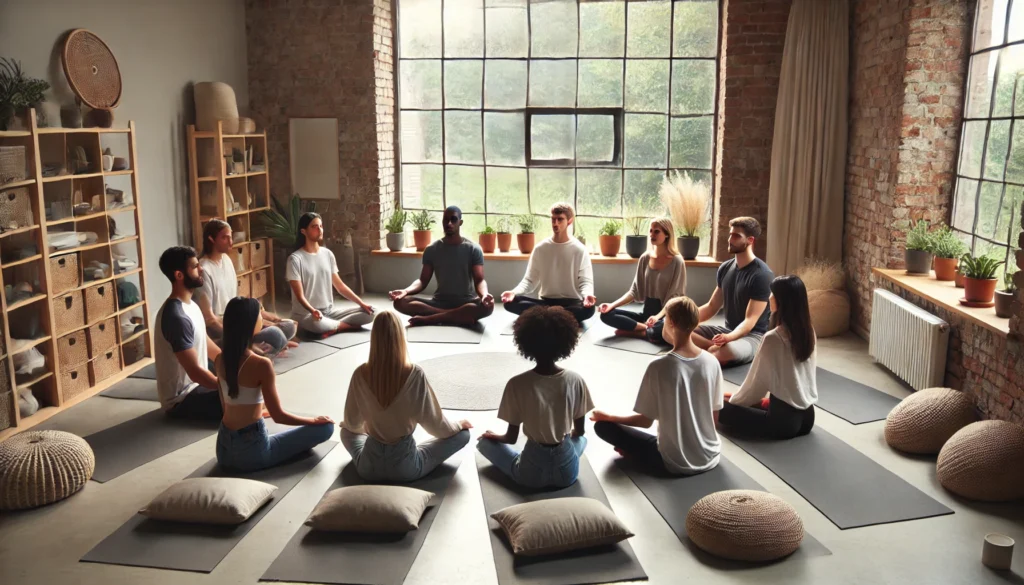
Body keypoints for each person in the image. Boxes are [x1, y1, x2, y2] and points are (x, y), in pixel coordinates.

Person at [591, 296, 724, 475]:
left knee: (602, 427)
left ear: (672, 323)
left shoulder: (659, 366)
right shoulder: (712, 361)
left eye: (665, 319)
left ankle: (637, 454)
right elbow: (714, 416)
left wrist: (609, 417)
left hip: (676, 463)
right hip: (711, 455)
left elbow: (645, 422)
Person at [340, 310, 472, 481]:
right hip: (406, 468)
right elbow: (437, 427)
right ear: (400, 337)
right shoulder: (414, 374)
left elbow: (352, 423)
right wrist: (458, 425)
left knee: (345, 431)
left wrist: (369, 428)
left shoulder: (360, 373)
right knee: (463, 435)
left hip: (368, 468)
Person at [477, 305, 594, 489]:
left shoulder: (517, 383)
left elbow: (510, 438)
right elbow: (579, 432)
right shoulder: (575, 380)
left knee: (484, 443)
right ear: (566, 343)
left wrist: (494, 437)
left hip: (531, 474)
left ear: (525, 343)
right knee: (581, 441)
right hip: (567, 474)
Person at [215, 297, 335, 472]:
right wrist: (313, 420)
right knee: (326, 428)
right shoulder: (261, 365)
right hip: (252, 453)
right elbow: (279, 416)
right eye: (259, 316)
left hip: (223, 451)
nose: (261, 319)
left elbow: (227, 406)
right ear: (250, 323)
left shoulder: (219, 359)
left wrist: (258, 412)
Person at [717, 275, 817, 439]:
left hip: (782, 423)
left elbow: (755, 386)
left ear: (781, 301)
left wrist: (732, 401)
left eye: (772, 294)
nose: (769, 297)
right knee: (730, 398)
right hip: (807, 418)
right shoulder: (808, 331)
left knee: (719, 406)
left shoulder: (773, 338)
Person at [196, 219, 298, 355]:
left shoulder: (226, 260)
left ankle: (263, 347)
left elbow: (238, 301)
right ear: (211, 239)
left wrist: (265, 316)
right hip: (223, 332)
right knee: (275, 334)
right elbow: (210, 319)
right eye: (224, 238)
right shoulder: (204, 269)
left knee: (289, 326)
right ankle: (256, 347)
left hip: (239, 322)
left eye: (230, 236)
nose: (230, 241)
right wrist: (239, 337)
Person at [389, 206, 495, 326]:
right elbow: (422, 281)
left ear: (460, 222)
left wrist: (485, 295)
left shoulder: (473, 249)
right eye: (446, 219)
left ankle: (432, 318)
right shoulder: (432, 249)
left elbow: (479, 280)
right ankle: (453, 316)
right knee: (400, 302)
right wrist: (405, 291)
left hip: (466, 303)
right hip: (439, 302)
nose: (449, 223)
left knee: (488, 307)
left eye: (453, 219)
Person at [692, 216, 775, 366]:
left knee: (726, 351)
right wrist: (683, 320)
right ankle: (711, 350)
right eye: (730, 234)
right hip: (726, 330)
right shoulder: (725, 268)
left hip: (752, 337)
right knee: (671, 330)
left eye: (736, 236)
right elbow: (711, 307)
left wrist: (728, 338)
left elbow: (750, 321)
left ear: (750, 240)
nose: (730, 239)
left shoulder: (762, 275)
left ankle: (709, 350)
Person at [154, 246, 223, 420]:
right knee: (243, 400)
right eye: (194, 266)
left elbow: (205, 342)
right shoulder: (175, 316)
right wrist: (228, 389)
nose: (201, 269)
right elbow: (195, 372)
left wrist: (233, 363)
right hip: (182, 400)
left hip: (197, 388)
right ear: (179, 275)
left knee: (249, 380)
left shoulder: (191, 305)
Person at [500, 202, 596, 325]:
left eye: (560, 219)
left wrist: (587, 295)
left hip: (571, 303)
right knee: (510, 303)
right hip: (545, 302)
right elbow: (529, 280)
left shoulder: (580, 249)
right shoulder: (541, 248)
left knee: (589, 310)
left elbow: (585, 281)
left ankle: (548, 315)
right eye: (553, 219)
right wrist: (513, 292)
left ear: (570, 221)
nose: (555, 223)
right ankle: (558, 315)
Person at [598, 217, 686, 344]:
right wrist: (612, 305)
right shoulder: (645, 258)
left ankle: (636, 331)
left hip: (665, 316)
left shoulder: (677, 261)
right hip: (646, 315)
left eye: (656, 231)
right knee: (606, 315)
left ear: (667, 234)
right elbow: (634, 291)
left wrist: (657, 317)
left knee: (668, 330)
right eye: (650, 231)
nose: (652, 235)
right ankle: (645, 329)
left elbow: (675, 299)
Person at [287, 212, 375, 337]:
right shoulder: (295, 259)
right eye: (314, 227)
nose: (320, 230)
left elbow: (340, 286)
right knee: (317, 324)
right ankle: (345, 327)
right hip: (307, 315)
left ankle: (333, 326)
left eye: (321, 226)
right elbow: (299, 296)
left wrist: (362, 304)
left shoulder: (327, 254)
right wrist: (313, 310)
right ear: (303, 231)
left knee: (372, 312)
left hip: (329, 313)